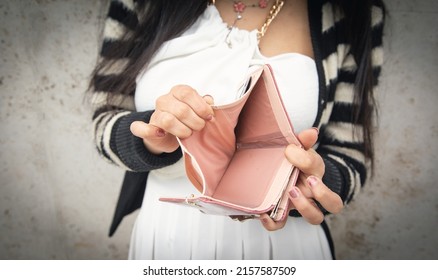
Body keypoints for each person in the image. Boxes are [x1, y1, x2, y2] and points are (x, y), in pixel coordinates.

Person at [89, 0, 385, 259]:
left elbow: (350, 152)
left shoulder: (352, 12)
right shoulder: (140, 3)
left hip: (282, 247)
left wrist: (315, 184)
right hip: (166, 236)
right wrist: (151, 139)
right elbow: (104, 123)